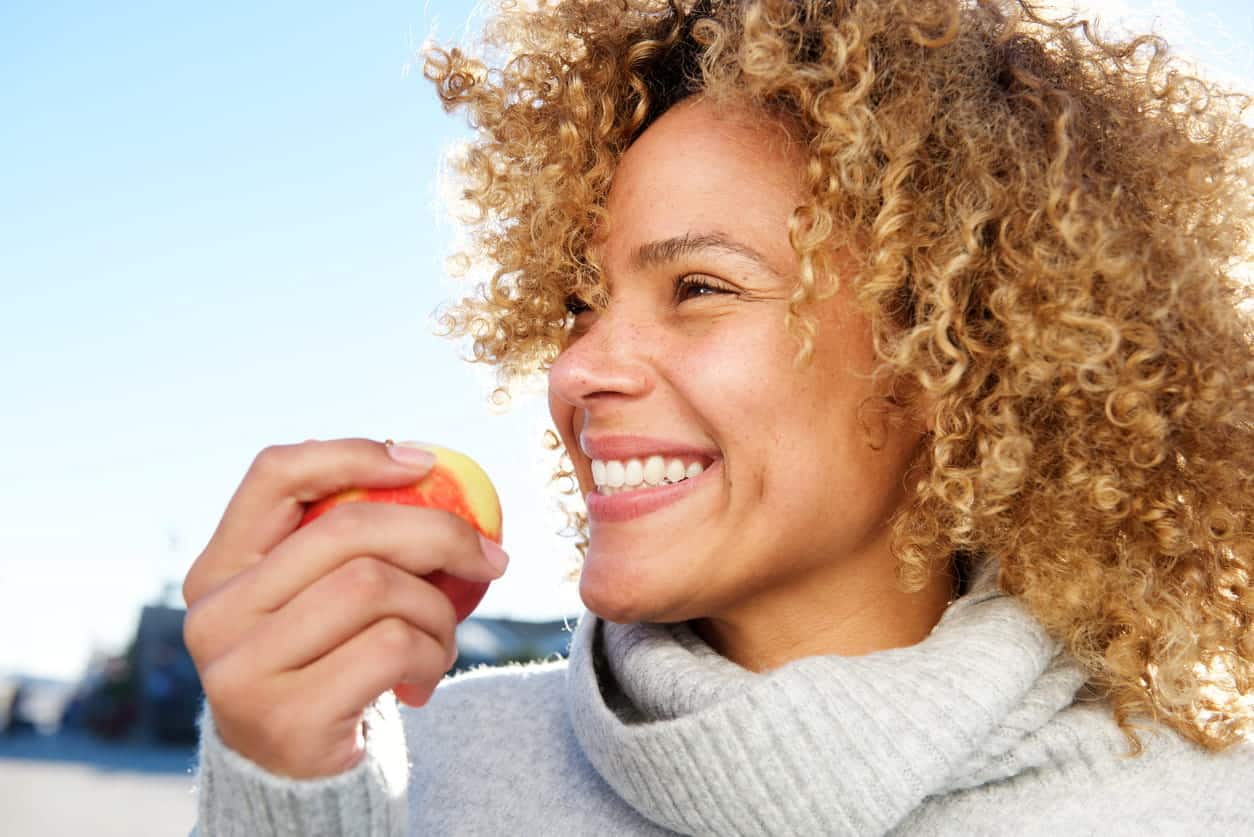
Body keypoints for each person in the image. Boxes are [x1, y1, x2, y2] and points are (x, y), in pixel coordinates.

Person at [183, 1, 1254, 834]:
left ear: (956, 349)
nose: (579, 372)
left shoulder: (1209, 809)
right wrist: (284, 795)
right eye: (577, 304)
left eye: (699, 287)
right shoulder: (423, 771)